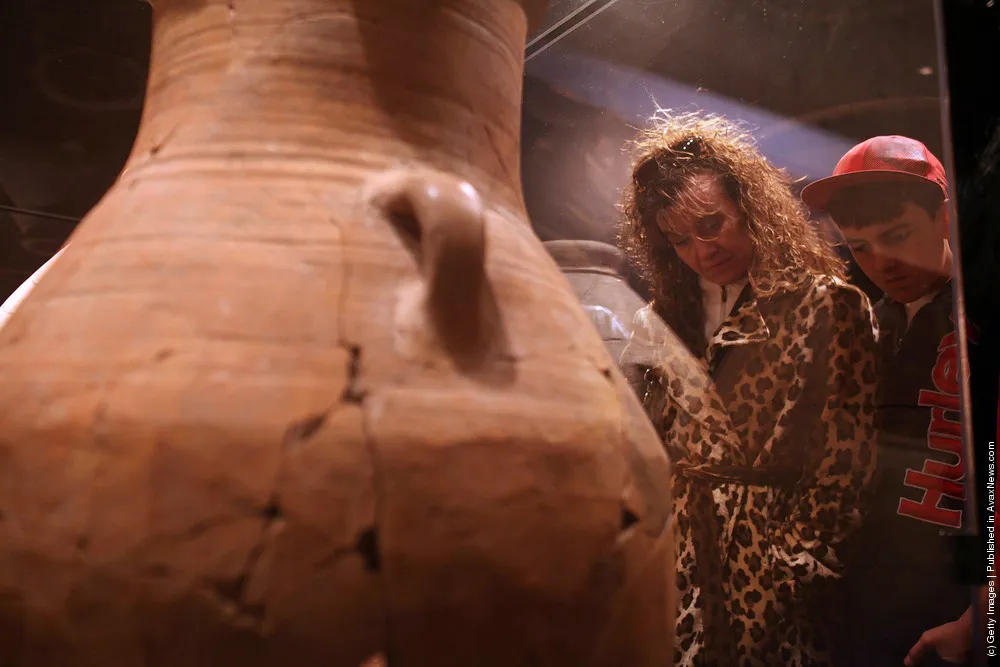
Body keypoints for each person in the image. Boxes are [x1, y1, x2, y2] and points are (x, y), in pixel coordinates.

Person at [618, 111, 878, 667]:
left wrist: (795, 567)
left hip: (768, 561)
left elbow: (843, 461)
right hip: (680, 558)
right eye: (680, 240)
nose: (702, 250)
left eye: (711, 224)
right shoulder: (662, 321)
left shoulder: (826, 304)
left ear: (749, 206)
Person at [801, 135, 978, 667]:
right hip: (864, 605)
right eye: (860, 247)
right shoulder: (864, 327)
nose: (882, 262)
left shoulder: (983, 314)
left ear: (943, 217)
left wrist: (983, 616)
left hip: (954, 609)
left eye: (897, 236)